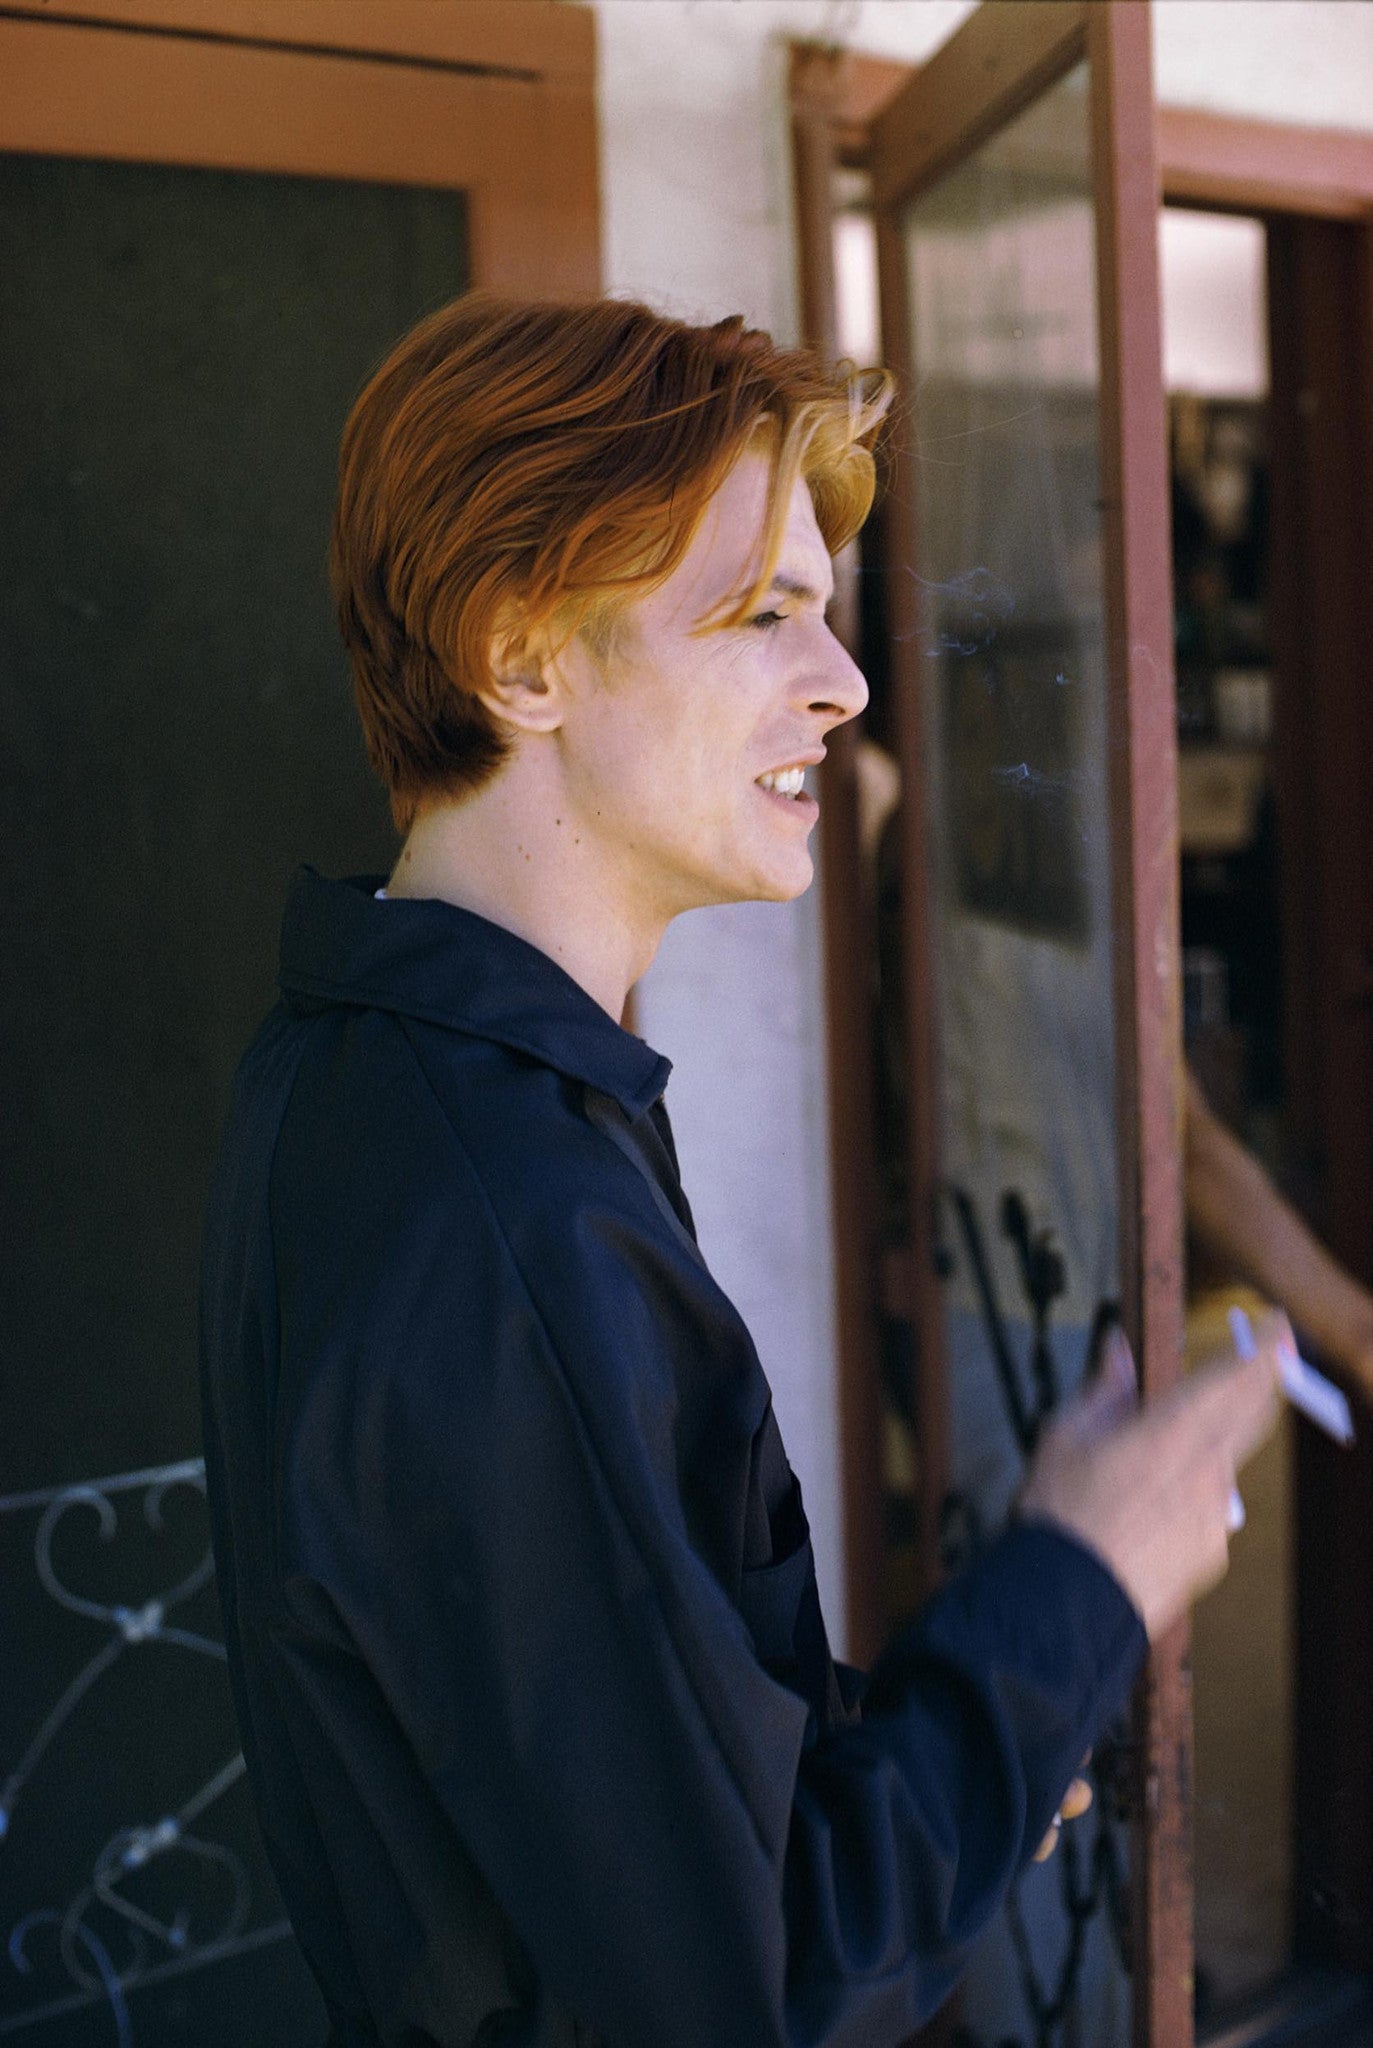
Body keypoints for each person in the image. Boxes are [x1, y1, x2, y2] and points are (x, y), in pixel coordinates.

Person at [199, 296, 1283, 2048]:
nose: (845, 682)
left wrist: (957, 1744)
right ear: (522, 659)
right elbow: (751, 1990)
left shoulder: (367, 1070)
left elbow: (574, 1807)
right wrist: (1084, 1578)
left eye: (829, 612)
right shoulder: (508, 1222)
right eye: (762, 611)